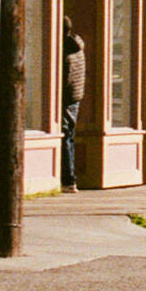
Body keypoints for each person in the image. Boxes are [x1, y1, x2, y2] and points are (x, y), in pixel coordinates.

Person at [60, 18, 86, 192]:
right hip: (75, 97)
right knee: (69, 136)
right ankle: (70, 179)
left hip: (66, 97)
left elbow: (65, 78)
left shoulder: (66, 51)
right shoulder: (76, 47)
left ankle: (69, 180)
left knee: (66, 136)